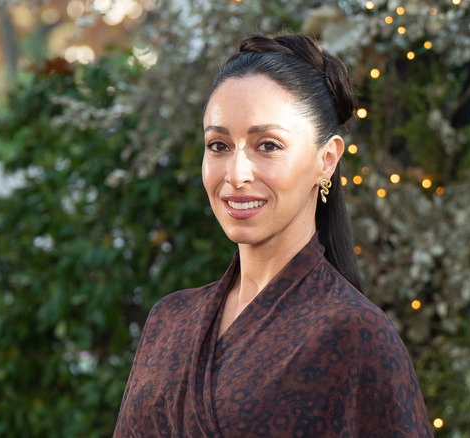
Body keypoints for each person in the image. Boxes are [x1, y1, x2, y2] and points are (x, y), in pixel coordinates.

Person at [113, 33, 433, 437]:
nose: (236, 174)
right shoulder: (169, 321)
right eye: (218, 145)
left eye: (267, 145)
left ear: (326, 160)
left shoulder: (357, 337)